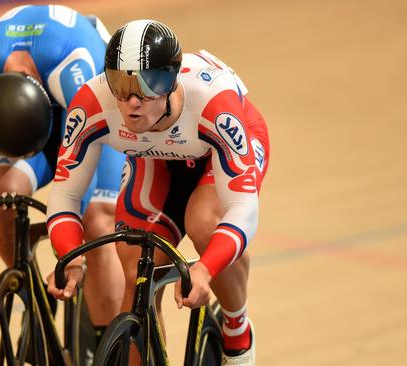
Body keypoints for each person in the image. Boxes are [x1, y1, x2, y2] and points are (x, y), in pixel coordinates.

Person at [46, 19, 269, 365]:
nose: (133, 101)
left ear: (171, 82)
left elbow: (242, 208)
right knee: (137, 275)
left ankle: (237, 329)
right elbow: (65, 196)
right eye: (121, 84)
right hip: (155, 162)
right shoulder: (92, 102)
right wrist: (70, 256)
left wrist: (205, 270)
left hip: (218, 156)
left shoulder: (213, 103)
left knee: (203, 222)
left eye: (148, 85)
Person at [0, 4, 126, 337]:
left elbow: (84, 165)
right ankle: (33, 297)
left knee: (97, 221)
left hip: (91, 115)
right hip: (23, 107)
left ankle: (107, 339)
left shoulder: (76, 67)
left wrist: (72, 255)